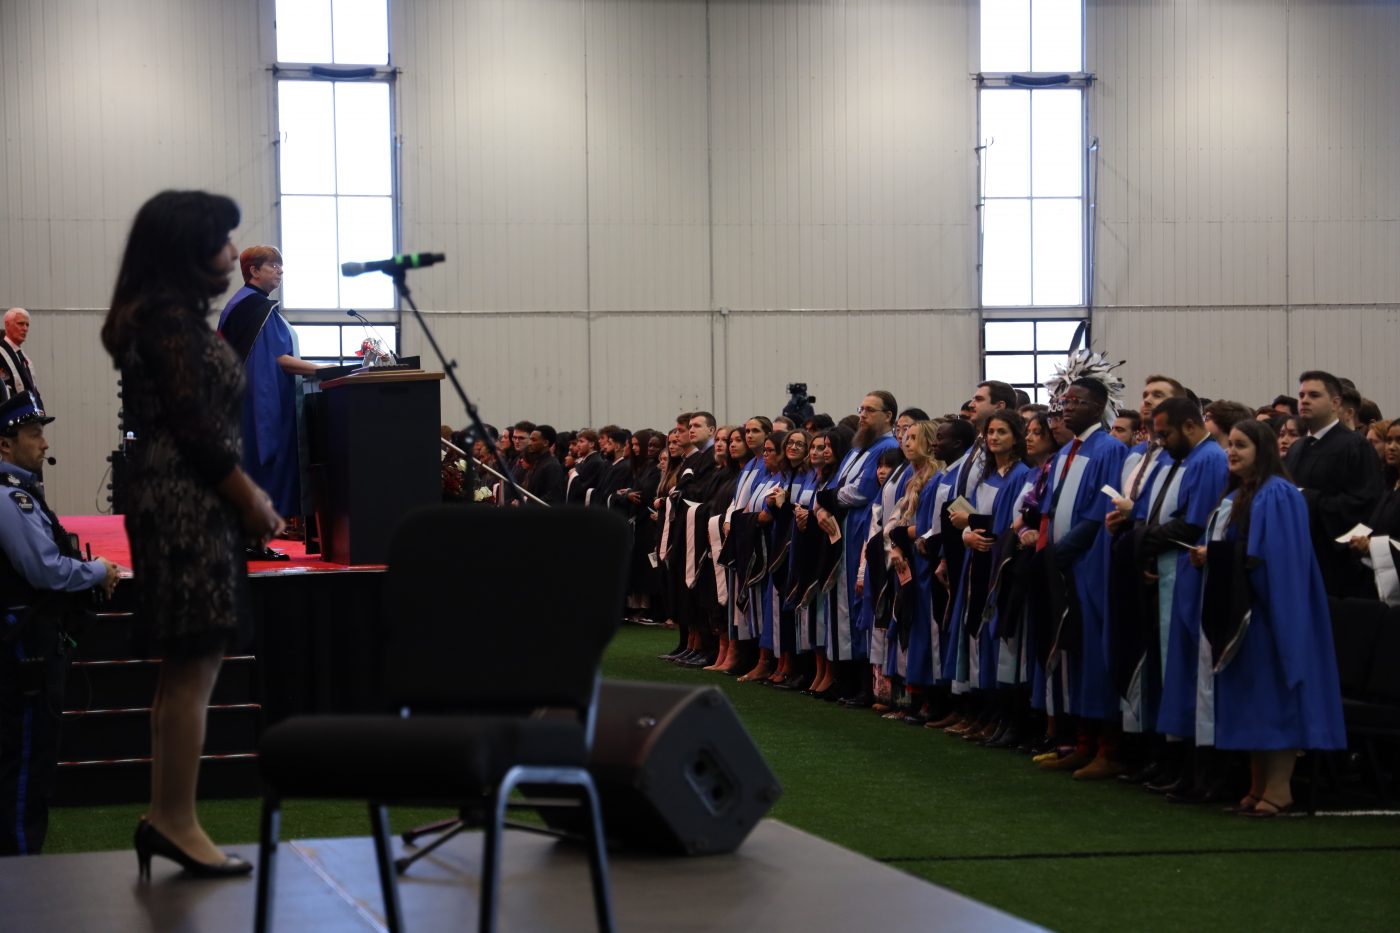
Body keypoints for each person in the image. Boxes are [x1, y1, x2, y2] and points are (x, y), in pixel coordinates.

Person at [101, 190, 283, 878]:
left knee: (184, 666)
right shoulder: (170, 320)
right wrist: (252, 500)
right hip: (186, 500)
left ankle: (165, 815)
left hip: (172, 494)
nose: (234, 255)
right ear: (187, 249)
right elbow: (195, 429)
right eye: (222, 242)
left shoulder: (158, 316)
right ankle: (176, 819)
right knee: (194, 663)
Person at [1188, 420, 1346, 816]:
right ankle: (1258, 785)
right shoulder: (1242, 492)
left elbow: (1274, 560)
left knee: (1275, 698)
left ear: (1264, 449)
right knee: (1254, 700)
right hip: (1246, 611)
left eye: (1242, 445)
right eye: (1230, 446)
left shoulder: (1276, 494)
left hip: (1272, 611)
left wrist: (1217, 556)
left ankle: (1279, 789)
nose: (1233, 452)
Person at [0, 392, 120, 855]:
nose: (44, 444)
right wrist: (98, 571)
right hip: (23, 651)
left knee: (25, 765)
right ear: (5, 446)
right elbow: (45, 569)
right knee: (26, 766)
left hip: (28, 644)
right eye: (34, 435)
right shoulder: (12, 500)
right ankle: (19, 874)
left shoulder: (20, 494)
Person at [216, 246, 324, 527]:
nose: (281, 270)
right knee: (259, 464)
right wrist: (325, 369)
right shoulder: (255, 308)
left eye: (281, 265)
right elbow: (277, 361)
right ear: (253, 271)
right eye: (274, 265)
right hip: (255, 407)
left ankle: (251, 535)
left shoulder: (243, 305)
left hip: (239, 403)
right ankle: (252, 536)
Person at [1285, 370, 1385, 597]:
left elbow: (1366, 503)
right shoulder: (1297, 448)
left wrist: (1310, 498)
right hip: (1298, 555)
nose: (1305, 401)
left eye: (1313, 395)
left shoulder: (1354, 446)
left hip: (1336, 563)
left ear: (1335, 402)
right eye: (1301, 395)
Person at [0, 308, 38, 401]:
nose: (25, 328)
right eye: (20, 324)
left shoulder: (22, 356)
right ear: (7, 325)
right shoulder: (1, 353)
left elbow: (33, 390)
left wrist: (38, 409)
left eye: (27, 325)